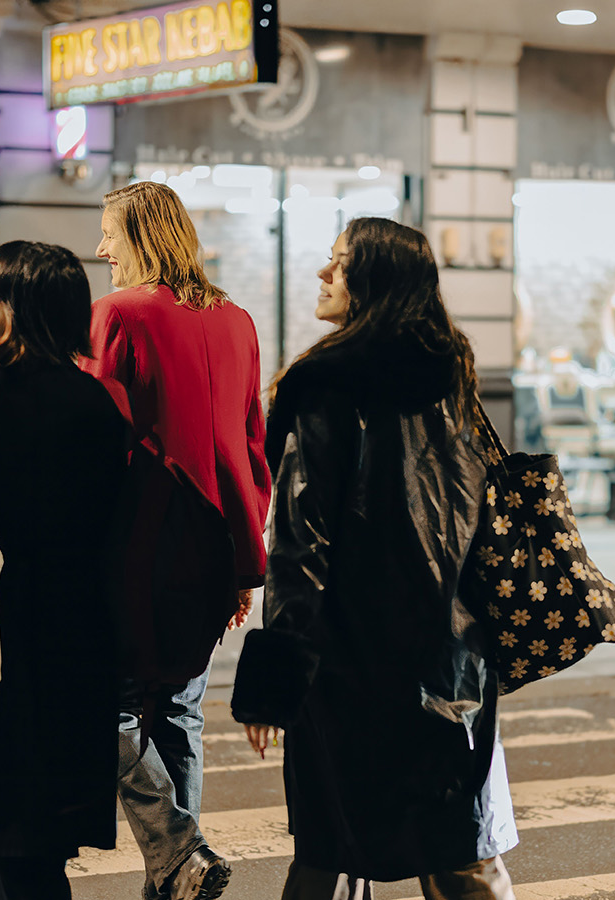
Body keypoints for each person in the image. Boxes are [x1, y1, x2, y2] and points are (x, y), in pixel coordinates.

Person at [231, 217, 519, 900]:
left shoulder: (324, 383)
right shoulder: (451, 372)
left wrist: (275, 679)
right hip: (450, 653)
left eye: (337, 263)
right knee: (454, 848)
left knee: (327, 846)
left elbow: (302, 544)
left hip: (347, 661)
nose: (323, 275)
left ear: (372, 281)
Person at [80, 181, 272, 900]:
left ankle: (176, 850)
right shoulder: (237, 319)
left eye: (110, 233)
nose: (101, 249)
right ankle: (173, 880)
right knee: (181, 708)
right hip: (220, 542)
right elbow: (252, 446)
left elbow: (100, 441)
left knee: (108, 703)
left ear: (141, 236)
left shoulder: (117, 314)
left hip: (142, 543)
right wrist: (248, 560)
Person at [0, 241, 127, 900]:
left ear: (16, 306)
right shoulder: (96, 406)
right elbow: (113, 532)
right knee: (28, 842)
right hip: (75, 646)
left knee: (19, 849)